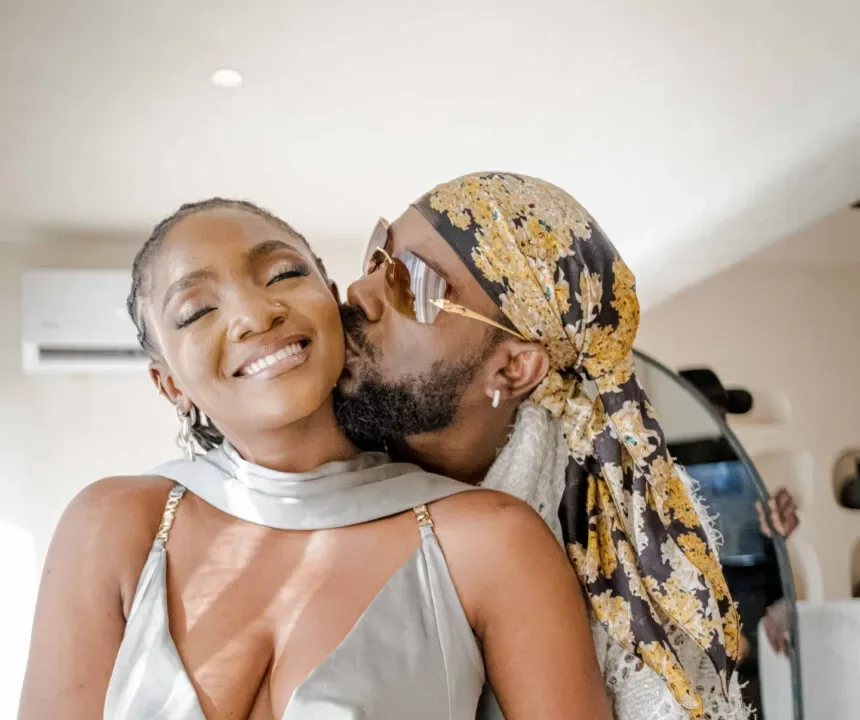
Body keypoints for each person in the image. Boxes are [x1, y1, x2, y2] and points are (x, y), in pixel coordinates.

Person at [18, 198, 612, 720]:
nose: (256, 315)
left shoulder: (490, 541)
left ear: (330, 299)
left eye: (283, 274)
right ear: (170, 383)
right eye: (197, 311)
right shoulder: (113, 527)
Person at [335, 172, 747, 720]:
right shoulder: (311, 462)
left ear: (514, 368)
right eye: (376, 256)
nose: (360, 291)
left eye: (414, 282)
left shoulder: (621, 535)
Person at [674, 368, 801, 718]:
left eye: (720, 410)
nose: (717, 419)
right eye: (705, 408)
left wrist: (774, 537)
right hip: (689, 649)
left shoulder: (740, 468)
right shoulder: (654, 473)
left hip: (749, 641)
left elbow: (761, 569)